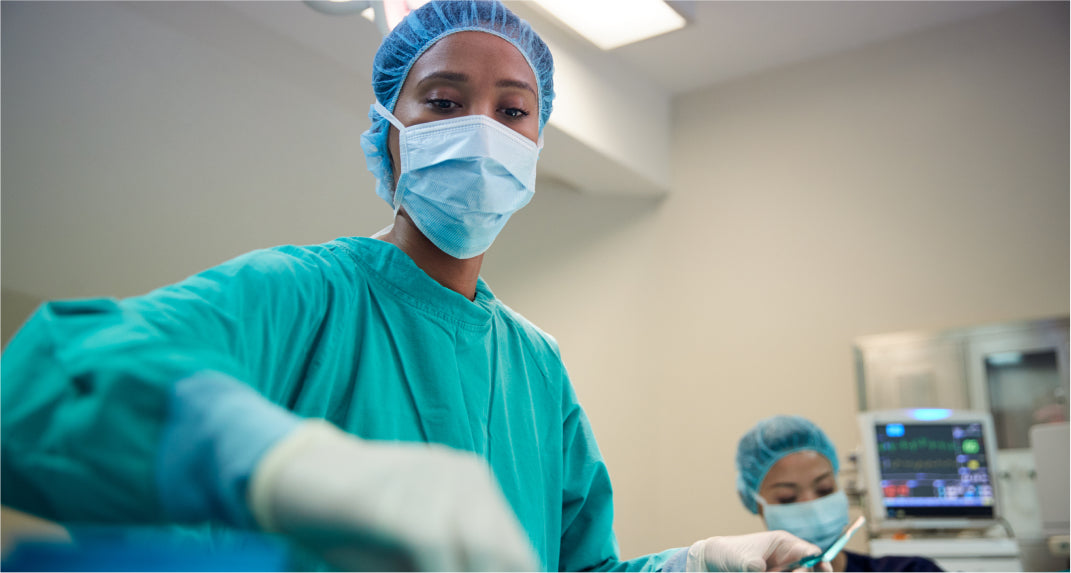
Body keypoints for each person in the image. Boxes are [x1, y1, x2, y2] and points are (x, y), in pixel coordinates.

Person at [1, 2, 828, 571]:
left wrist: (698, 562)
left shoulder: (535, 367)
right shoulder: (301, 296)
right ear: (388, 135)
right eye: (442, 100)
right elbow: (46, 379)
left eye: (513, 111)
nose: (481, 128)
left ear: (537, 145)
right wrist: (290, 463)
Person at [736, 416, 944, 572]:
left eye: (825, 489)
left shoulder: (911, 570)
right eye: (787, 498)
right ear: (756, 504)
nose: (812, 507)